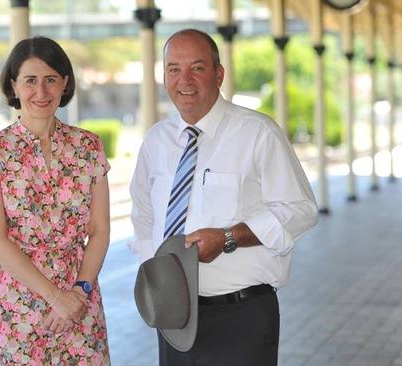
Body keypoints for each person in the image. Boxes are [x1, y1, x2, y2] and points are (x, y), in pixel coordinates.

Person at [129, 29, 318, 365]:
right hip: (175, 318)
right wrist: (156, 280)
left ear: (219, 74)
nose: (184, 79)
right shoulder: (156, 141)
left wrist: (229, 237)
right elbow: (144, 217)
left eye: (197, 67)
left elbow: (301, 210)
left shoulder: (258, 133)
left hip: (240, 316)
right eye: (173, 69)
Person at [0, 36, 111, 365]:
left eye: (50, 80)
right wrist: (55, 297)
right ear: (14, 86)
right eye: (30, 81)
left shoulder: (89, 147)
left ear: (65, 83)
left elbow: (100, 230)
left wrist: (79, 292)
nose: (41, 92)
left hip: (79, 303)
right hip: (15, 306)